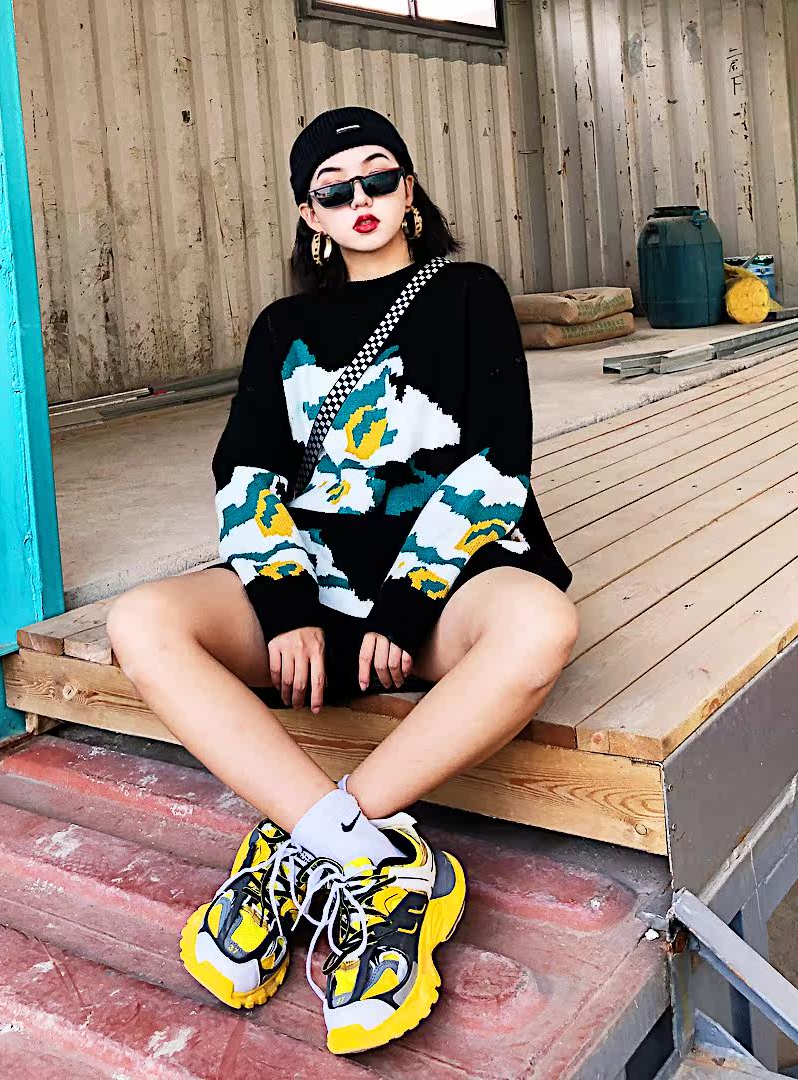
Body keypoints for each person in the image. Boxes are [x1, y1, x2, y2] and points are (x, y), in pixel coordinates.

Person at [106, 106, 578, 1056]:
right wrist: (284, 606)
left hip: (445, 582)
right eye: (335, 187)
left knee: (542, 626)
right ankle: (370, 856)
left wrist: (406, 605)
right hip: (316, 583)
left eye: (379, 175)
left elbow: (498, 459)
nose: (361, 197)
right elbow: (246, 473)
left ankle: (310, 843)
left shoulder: (468, 292)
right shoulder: (282, 327)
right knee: (142, 620)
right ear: (309, 214)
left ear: (410, 190)